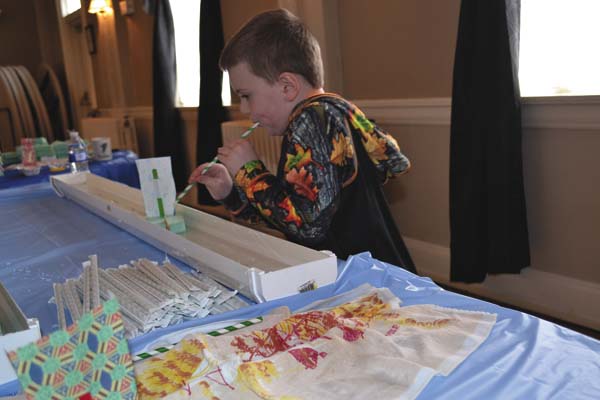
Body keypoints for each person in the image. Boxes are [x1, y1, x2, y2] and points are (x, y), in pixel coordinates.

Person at [189, 8, 416, 272]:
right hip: (360, 273)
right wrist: (231, 193)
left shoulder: (312, 120)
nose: (244, 109)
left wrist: (249, 171)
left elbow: (307, 228)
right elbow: (289, 216)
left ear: (287, 87)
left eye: (246, 95)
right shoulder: (325, 114)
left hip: (365, 282)